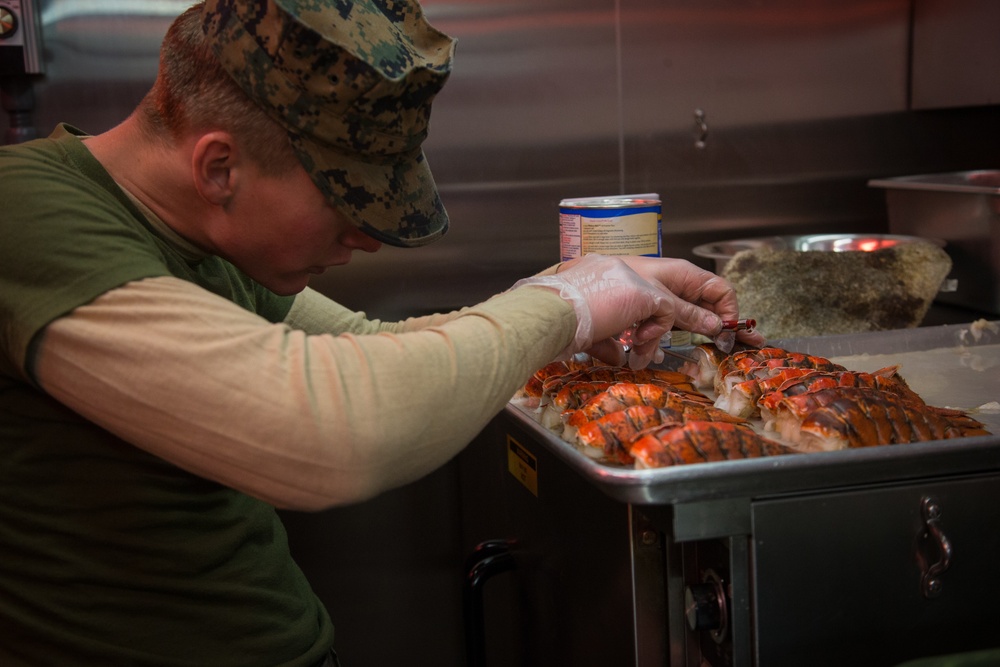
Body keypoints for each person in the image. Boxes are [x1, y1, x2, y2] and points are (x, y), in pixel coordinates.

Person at [0, 1, 764, 665]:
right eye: (348, 202)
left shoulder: (189, 233)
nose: (367, 238)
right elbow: (330, 428)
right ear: (220, 168)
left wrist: (572, 309)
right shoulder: (29, 216)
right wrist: (568, 303)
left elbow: (365, 349)